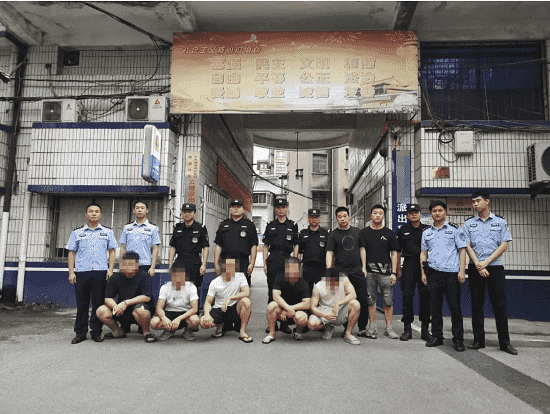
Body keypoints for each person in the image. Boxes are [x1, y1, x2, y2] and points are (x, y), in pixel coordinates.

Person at [463, 190, 517, 355]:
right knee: (476, 304)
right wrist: (478, 264)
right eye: (473, 202)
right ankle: (478, 340)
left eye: (478, 201)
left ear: (487, 201)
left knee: (499, 305)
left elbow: (504, 245)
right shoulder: (469, 223)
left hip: (495, 267)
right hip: (475, 267)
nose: (475, 204)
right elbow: (467, 245)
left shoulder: (500, 221)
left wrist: (486, 262)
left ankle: (505, 343)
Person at [67, 202, 117, 344]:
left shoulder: (107, 232)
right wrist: (71, 272)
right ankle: (80, 333)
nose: (94, 213)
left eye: (96, 211)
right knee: (82, 304)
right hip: (82, 272)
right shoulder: (77, 232)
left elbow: (112, 251)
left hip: (100, 273)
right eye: (91, 211)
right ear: (86, 214)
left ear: (100, 214)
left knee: (98, 304)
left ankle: (96, 332)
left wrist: (110, 270)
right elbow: (71, 253)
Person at [421, 201, 467, 352]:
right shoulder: (426, 233)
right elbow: (423, 253)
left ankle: (458, 340)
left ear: (445, 212)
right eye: (434, 211)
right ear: (431, 214)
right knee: (435, 308)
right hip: (433, 273)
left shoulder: (455, 230)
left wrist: (462, 271)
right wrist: (423, 273)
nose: (437, 213)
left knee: (455, 308)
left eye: (440, 210)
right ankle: (437, 336)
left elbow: (462, 250)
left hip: (451, 274)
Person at [326, 206, 369, 335]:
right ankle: (347, 328)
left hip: (357, 271)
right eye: (339, 217)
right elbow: (329, 253)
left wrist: (364, 267)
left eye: (345, 216)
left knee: (363, 300)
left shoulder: (357, 232)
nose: (342, 219)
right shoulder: (333, 234)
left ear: (349, 217)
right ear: (336, 219)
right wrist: (329, 271)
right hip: (341, 273)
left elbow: (362, 249)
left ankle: (362, 328)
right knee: (344, 302)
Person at [96, 252, 156, 343]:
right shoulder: (115, 277)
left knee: (141, 311)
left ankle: (146, 332)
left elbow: (146, 297)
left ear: (137, 265)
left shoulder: (144, 276)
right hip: (122, 310)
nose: (127, 267)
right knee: (101, 311)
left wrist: (126, 303)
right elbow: (107, 298)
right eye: (125, 264)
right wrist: (116, 307)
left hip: (139, 308)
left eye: (130, 264)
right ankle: (117, 331)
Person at [360, 204, 400, 339]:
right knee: (370, 300)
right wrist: (363, 268)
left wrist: (394, 272)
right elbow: (362, 251)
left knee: (388, 302)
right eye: (375, 213)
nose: (377, 215)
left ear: (384, 216)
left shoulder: (389, 233)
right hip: (369, 273)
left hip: (386, 273)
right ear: (370, 216)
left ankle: (389, 328)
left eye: (380, 213)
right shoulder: (364, 232)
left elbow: (394, 253)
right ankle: (372, 326)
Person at [395, 203, 432, 342]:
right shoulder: (402, 230)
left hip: (425, 267)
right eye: (411, 213)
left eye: (416, 212)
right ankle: (407, 330)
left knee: (425, 298)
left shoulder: (427, 230)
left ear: (420, 214)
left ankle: (425, 330)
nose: (414, 214)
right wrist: (397, 269)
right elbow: (397, 252)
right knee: (407, 297)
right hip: (409, 266)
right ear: (407, 216)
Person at [262, 197, 299, 333]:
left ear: (287, 209)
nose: (281, 209)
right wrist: (265, 263)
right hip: (273, 259)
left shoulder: (292, 225)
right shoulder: (270, 225)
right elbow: (265, 246)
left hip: (288, 260)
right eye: (279, 207)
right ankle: (272, 323)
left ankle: (284, 324)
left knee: (287, 291)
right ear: (275, 210)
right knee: (271, 291)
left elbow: (296, 245)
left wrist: (295, 261)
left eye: (284, 207)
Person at [200, 258, 253, 343]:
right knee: (203, 322)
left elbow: (246, 292)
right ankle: (220, 324)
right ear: (223, 269)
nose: (231, 270)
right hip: (219, 308)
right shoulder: (215, 282)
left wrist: (230, 298)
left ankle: (242, 332)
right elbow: (208, 302)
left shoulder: (240, 276)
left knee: (246, 301)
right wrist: (206, 314)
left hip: (233, 308)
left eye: (233, 267)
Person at [262, 257, 311, 343]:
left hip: (296, 312)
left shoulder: (304, 281)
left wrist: (291, 309)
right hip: (281, 312)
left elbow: (307, 303)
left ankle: (298, 332)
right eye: (289, 269)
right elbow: (275, 296)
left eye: (294, 269)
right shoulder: (279, 277)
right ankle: (271, 334)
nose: (292, 272)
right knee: (271, 306)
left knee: (302, 317)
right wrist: (287, 308)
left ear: (299, 270)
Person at [308, 268, 361, 345]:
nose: (334, 284)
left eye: (336, 282)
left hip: (340, 311)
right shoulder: (318, 286)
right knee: (311, 325)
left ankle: (348, 334)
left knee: (355, 304)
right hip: (325, 312)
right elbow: (313, 307)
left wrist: (338, 303)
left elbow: (353, 294)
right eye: (331, 282)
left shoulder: (344, 279)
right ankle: (327, 327)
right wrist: (325, 315)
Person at [214, 198, 258, 287]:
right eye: (234, 207)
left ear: (243, 210)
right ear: (230, 210)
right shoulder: (224, 225)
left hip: (242, 261)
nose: (236, 209)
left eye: (238, 207)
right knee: (228, 287)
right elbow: (218, 245)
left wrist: (252, 263)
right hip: (228, 261)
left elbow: (254, 246)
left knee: (242, 288)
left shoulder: (249, 226)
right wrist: (216, 263)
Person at [150, 265, 201, 341]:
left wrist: (178, 319)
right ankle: (169, 330)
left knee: (195, 320)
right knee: (154, 322)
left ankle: (188, 331)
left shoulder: (191, 287)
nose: (178, 280)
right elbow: (159, 308)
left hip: (185, 314)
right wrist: (164, 319)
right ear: (171, 277)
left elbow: (194, 309)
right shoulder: (165, 287)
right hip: (169, 313)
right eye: (176, 277)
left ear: (184, 277)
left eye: (180, 277)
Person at [169, 203, 209, 289]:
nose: (187, 214)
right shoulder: (177, 228)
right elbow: (173, 247)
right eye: (185, 212)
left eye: (189, 212)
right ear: (182, 213)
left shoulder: (200, 228)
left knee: (193, 288)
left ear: (194, 213)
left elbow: (205, 247)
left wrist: (204, 264)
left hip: (194, 262)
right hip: (180, 261)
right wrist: (170, 263)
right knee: (178, 287)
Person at [119, 200, 160, 277]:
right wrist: (121, 265)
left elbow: (155, 249)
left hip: (145, 264)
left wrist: (152, 267)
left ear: (147, 210)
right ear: (134, 211)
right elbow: (123, 247)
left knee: (144, 284)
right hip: (129, 264)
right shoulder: (127, 227)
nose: (140, 210)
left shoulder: (153, 228)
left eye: (142, 208)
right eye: (137, 208)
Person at [298, 208, 329, 294]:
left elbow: (329, 253)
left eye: (316, 217)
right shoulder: (303, 234)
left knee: (322, 293)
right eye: (312, 217)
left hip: (321, 268)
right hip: (307, 268)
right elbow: (299, 252)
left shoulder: (325, 234)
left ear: (319, 218)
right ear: (308, 218)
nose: (314, 219)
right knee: (307, 293)